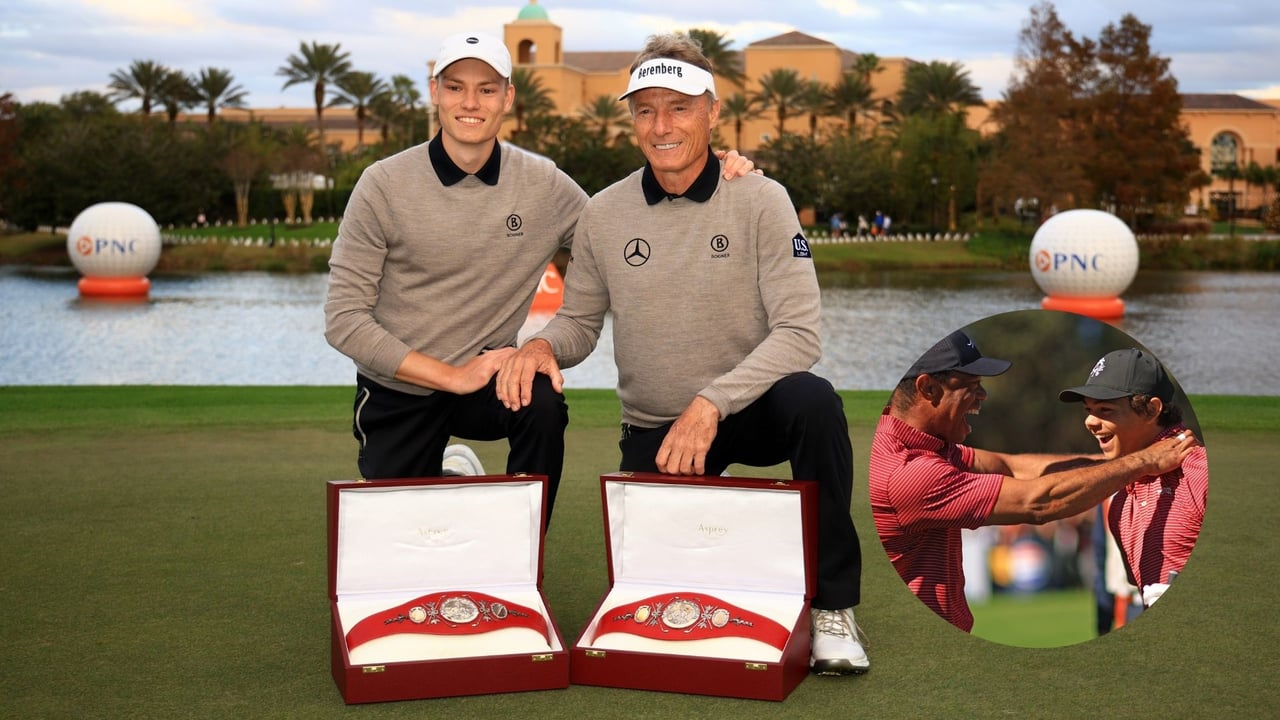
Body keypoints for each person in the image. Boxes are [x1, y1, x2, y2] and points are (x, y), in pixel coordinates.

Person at [496, 32, 869, 676]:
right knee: (669, 609)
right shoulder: (604, 213)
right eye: (646, 110)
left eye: (679, 107)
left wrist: (712, 401)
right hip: (658, 429)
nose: (661, 125)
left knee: (814, 400)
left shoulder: (758, 196)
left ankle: (832, 606)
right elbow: (580, 322)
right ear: (632, 118)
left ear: (712, 112)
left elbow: (801, 333)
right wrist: (538, 345)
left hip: (748, 413)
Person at [324, 31, 758, 520]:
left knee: (542, 401)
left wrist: (709, 170)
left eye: (487, 89)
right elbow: (344, 320)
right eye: (455, 87)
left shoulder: (544, 184)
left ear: (507, 97)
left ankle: (524, 556)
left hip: (493, 377)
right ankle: (448, 478)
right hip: (401, 386)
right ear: (434, 92)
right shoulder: (382, 184)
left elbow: (620, 225)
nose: (471, 102)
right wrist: (453, 376)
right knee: (401, 540)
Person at [868, 330, 1199, 632]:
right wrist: (1141, 461)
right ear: (928, 388)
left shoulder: (931, 448)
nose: (983, 395)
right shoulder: (907, 471)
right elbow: (1038, 501)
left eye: (1105, 410)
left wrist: (1133, 462)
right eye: (971, 386)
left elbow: (1012, 467)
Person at [1058, 348, 1208, 608]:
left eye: (1105, 409)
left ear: (1151, 410)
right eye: (1088, 410)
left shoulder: (1200, 470)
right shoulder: (1120, 498)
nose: (1090, 422)